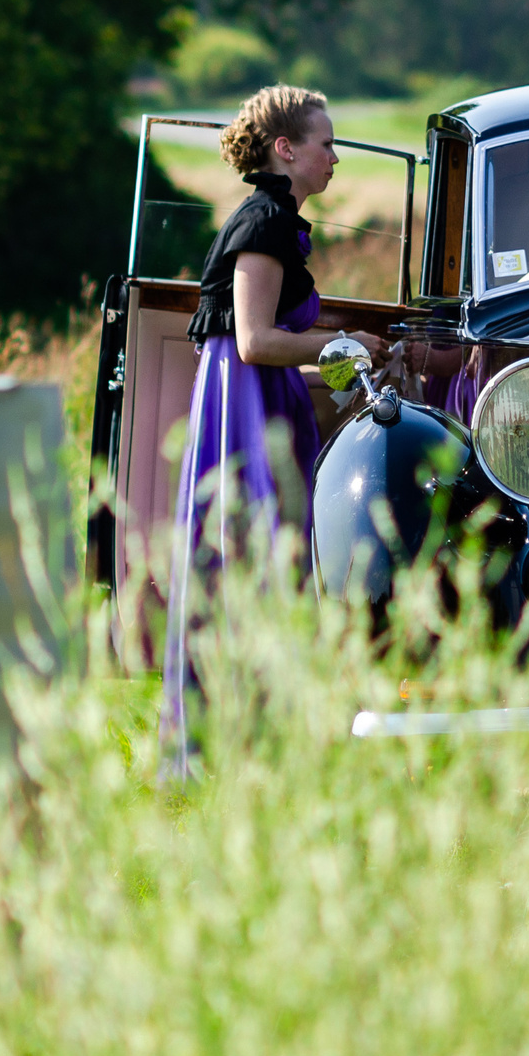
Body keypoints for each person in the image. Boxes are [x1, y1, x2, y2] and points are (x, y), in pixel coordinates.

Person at [163, 85, 384, 767]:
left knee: (278, 563)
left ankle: (275, 734)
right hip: (243, 407)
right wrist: (338, 346)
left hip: (265, 397)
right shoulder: (260, 223)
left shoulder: (279, 220)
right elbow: (254, 341)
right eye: (326, 144)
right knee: (253, 562)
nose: (336, 159)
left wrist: (358, 345)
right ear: (287, 150)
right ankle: (237, 743)